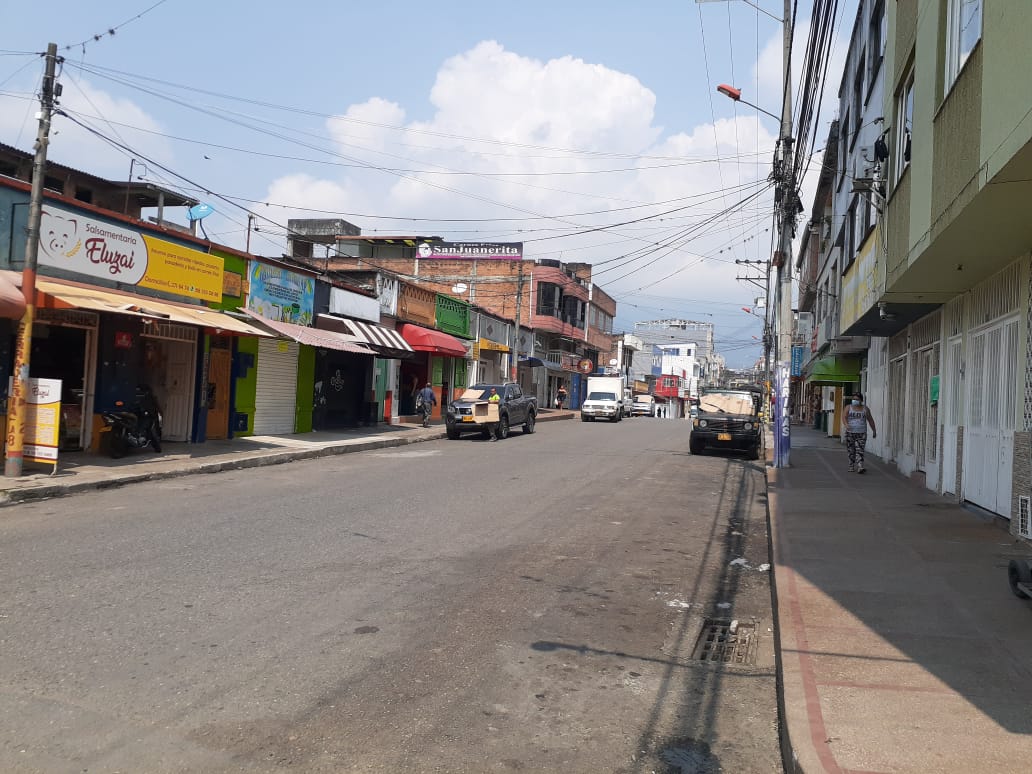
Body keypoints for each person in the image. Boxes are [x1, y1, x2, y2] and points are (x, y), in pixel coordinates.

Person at [842, 391, 877, 474]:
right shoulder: (848, 407)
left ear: (861, 400)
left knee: (860, 449)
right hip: (850, 432)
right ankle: (851, 465)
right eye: (853, 399)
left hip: (861, 433)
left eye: (857, 399)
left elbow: (870, 420)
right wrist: (846, 424)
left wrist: (874, 430)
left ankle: (860, 466)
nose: (854, 400)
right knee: (851, 450)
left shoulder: (865, 409)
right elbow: (844, 417)